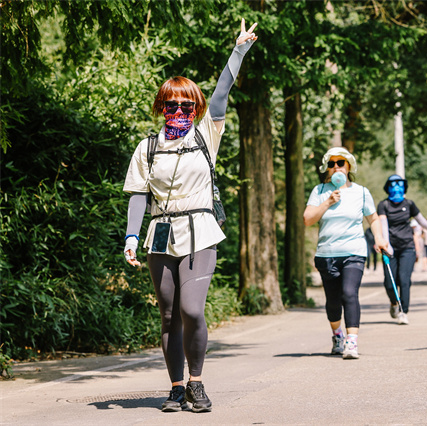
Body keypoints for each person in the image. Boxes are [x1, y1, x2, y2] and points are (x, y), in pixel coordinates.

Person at [122, 19, 258, 412]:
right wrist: (132, 236)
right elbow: (137, 195)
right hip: (160, 233)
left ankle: (197, 383)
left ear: (194, 107)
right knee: (168, 317)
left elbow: (221, 94)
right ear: (161, 107)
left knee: (191, 310)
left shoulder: (205, 135)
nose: (178, 109)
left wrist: (239, 51)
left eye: (186, 104)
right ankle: (176, 387)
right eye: (171, 104)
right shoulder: (147, 147)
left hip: (200, 230)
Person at [303, 147, 388, 359]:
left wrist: (379, 238)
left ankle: (352, 342)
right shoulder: (320, 190)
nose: (336, 167)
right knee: (333, 301)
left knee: (349, 293)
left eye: (340, 163)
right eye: (331, 164)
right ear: (327, 169)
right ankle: (337, 334)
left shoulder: (361, 192)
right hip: (327, 253)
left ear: (348, 166)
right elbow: (308, 219)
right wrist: (328, 202)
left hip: (354, 252)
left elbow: (373, 218)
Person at [377, 175, 427, 325]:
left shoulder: (409, 204)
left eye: (399, 184)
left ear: (404, 187)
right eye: (392, 184)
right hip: (389, 248)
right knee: (390, 283)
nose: (396, 187)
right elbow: (383, 225)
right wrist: (387, 244)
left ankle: (403, 312)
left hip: (407, 248)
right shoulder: (383, 205)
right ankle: (393, 303)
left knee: (404, 281)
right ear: (388, 187)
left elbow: (421, 220)